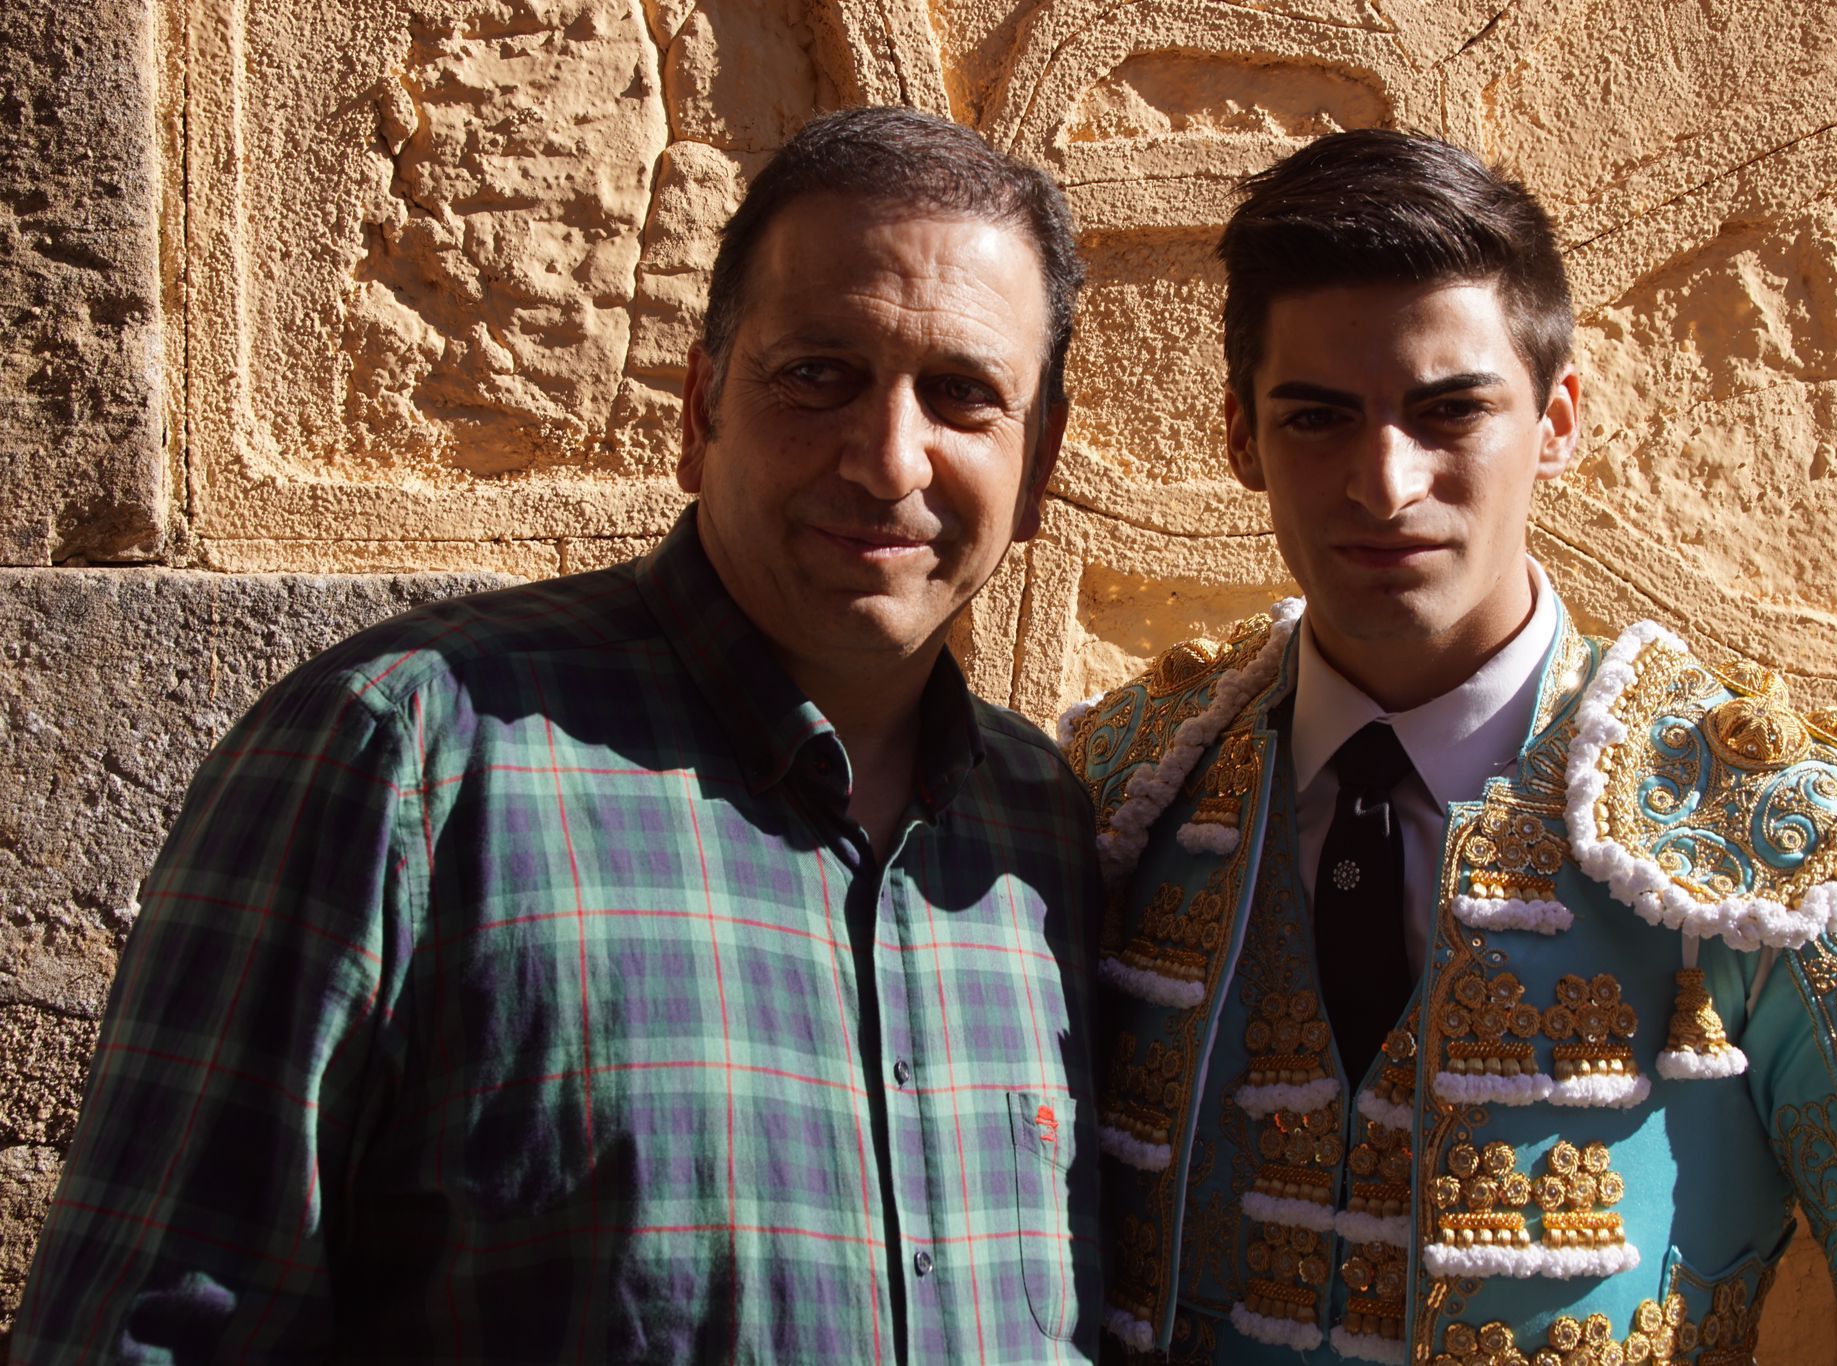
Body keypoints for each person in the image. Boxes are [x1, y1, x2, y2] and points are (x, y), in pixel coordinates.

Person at [16, 106, 1102, 1363]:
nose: (886, 457)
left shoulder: (1041, 835)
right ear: (698, 409)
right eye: (818, 374)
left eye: (962, 395)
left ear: (1037, 466)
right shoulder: (405, 761)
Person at [1062, 129, 1837, 1364]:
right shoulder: (1127, 783)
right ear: (1238, 438)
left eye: (1450, 409)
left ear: (1559, 416)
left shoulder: (1779, 838)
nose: (1383, 481)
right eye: (1317, 418)